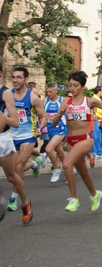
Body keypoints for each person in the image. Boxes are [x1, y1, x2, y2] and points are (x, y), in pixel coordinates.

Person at [52, 71, 102, 212]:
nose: (72, 88)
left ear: (83, 87)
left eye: (76, 85)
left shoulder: (89, 101)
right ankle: (95, 194)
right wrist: (60, 112)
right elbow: (54, 124)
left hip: (85, 138)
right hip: (71, 140)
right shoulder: (66, 102)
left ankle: (73, 199)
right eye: (70, 85)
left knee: (66, 164)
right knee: (83, 172)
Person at [7, 66, 47, 211]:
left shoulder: (32, 98)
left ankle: (13, 198)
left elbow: (44, 117)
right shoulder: (8, 95)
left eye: (18, 77)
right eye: (13, 77)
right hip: (11, 136)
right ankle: (35, 163)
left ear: (26, 79)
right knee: (13, 170)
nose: (15, 80)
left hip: (28, 136)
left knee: (18, 167)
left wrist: (39, 128)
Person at [0, 63, 33, 223]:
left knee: (12, 176)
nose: (15, 80)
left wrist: (2, 118)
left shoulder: (5, 94)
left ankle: (25, 203)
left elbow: (15, 121)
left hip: (3, 139)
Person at [43, 82, 67, 183]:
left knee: (48, 149)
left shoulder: (63, 100)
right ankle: (71, 168)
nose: (48, 93)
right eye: (47, 91)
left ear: (56, 91)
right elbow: (42, 116)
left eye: (51, 91)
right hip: (50, 129)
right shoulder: (44, 101)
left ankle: (56, 169)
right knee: (60, 152)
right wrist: (39, 127)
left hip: (61, 128)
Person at [92, 86, 102, 159]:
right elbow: (100, 110)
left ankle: (99, 152)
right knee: (94, 137)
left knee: (99, 137)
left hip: (99, 120)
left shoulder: (98, 99)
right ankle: (94, 153)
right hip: (95, 120)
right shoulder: (94, 99)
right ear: (99, 91)